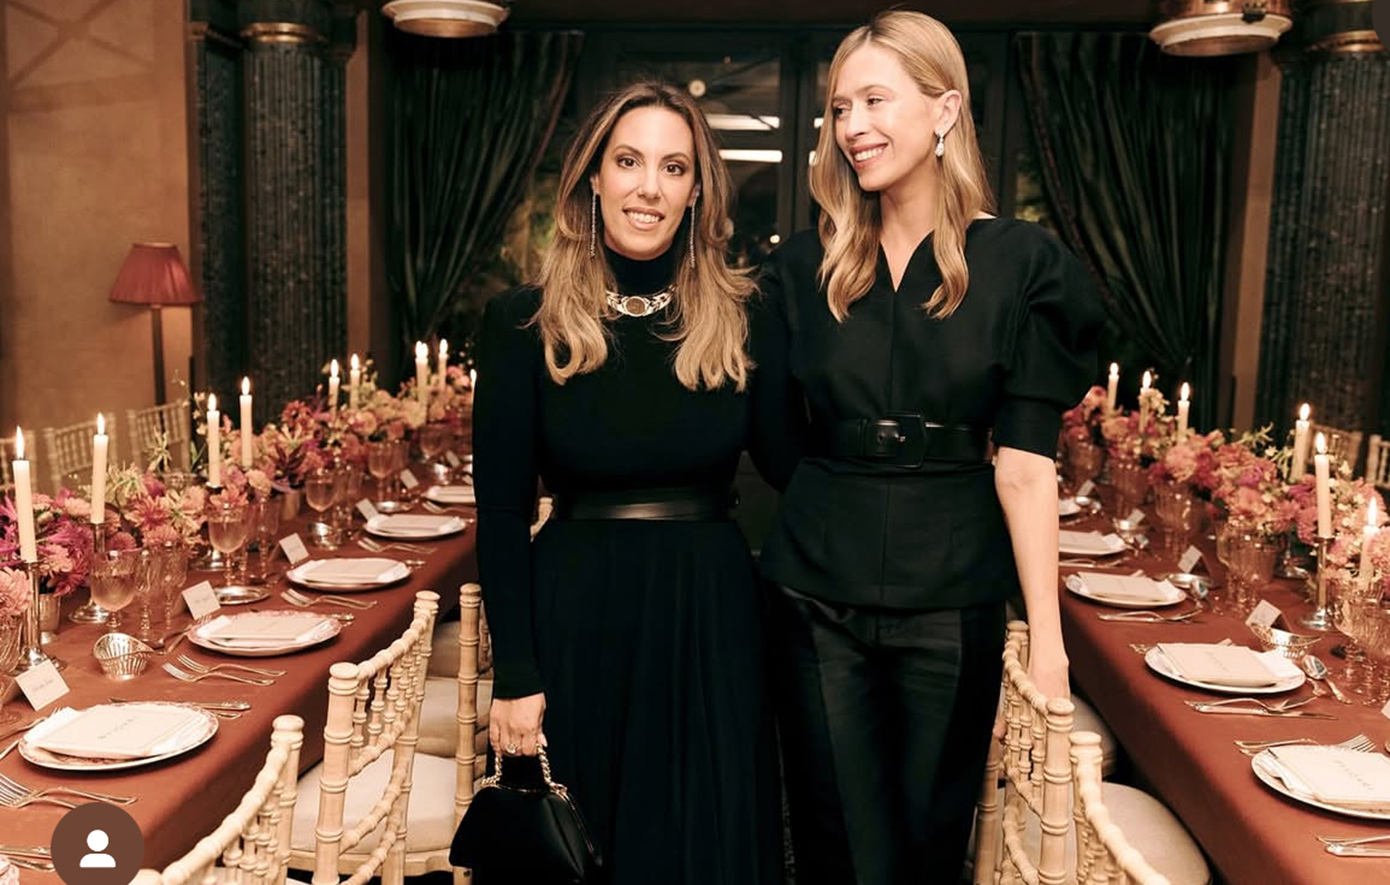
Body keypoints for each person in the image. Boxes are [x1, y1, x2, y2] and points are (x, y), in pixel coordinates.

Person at [756, 11, 1104, 884]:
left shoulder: (1022, 263)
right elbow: (775, 439)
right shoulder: (803, 265)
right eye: (840, 108)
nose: (853, 126)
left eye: (875, 100)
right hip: (816, 592)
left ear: (945, 110)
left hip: (954, 594)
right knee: (836, 844)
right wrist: (838, 500)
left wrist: (1048, 645)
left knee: (927, 845)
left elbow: (1025, 468)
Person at [472, 81, 783, 885]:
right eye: (629, 161)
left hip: (708, 621)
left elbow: (799, 469)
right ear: (594, 177)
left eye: (673, 167)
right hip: (578, 615)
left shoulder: (746, 317)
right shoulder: (523, 322)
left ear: (697, 191)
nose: (649, 186)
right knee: (583, 848)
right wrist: (516, 676)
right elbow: (501, 513)